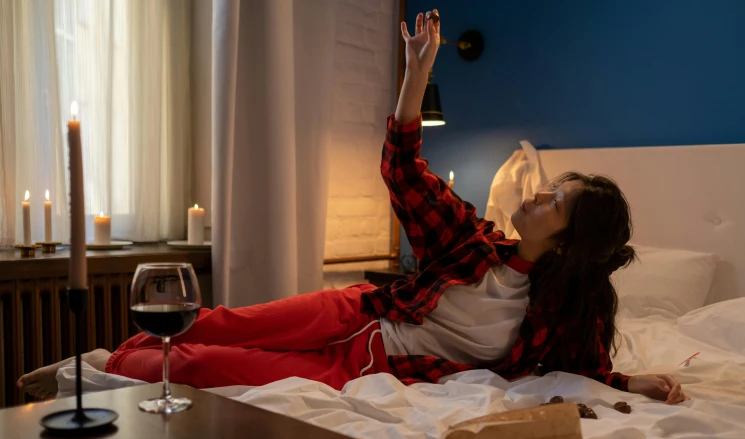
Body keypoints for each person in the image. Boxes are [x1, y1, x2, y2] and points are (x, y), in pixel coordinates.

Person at [18, 10, 687, 405]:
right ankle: (113, 360)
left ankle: (96, 368)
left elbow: (584, 374)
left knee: (203, 368)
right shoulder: (474, 243)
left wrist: (633, 386)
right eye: (550, 185)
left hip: (367, 364)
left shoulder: (561, 316)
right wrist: (415, 73)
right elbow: (401, 168)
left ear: (568, 243)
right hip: (353, 311)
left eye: (555, 200)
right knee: (215, 322)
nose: (536, 193)